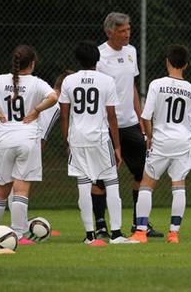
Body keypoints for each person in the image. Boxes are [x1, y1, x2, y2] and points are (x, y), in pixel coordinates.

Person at [0, 45, 57, 245]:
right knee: (21, 189)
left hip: (4, 139)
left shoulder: (0, 81)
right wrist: (36, 110)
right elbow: (53, 97)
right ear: (32, 63)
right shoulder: (36, 83)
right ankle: (18, 234)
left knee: (0, 190)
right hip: (27, 139)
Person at [59, 41, 136, 245]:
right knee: (111, 184)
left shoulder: (68, 81)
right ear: (97, 59)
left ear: (78, 60)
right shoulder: (106, 81)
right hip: (100, 138)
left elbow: (64, 116)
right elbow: (112, 117)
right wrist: (117, 146)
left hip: (77, 138)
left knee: (83, 186)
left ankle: (89, 235)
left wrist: (67, 140)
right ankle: (117, 234)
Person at [95, 12, 162, 237]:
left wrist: (140, 116)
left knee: (143, 173)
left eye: (129, 29)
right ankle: (101, 225)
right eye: (122, 30)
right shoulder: (99, 56)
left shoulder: (131, 52)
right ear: (110, 31)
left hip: (131, 124)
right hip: (105, 125)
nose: (127, 34)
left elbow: (131, 86)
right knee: (101, 176)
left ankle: (139, 223)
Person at [129, 45, 191, 244]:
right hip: (182, 142)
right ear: (186, 65)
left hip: (161, 141)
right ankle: (174, 233)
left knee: (146, 184)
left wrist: (150, 136)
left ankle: (141, 232)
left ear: (167, 62)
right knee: (178, 186)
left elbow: (146, 115)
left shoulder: (157, 84)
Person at [0, 72, 66, 226]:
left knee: (0, 182)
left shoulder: (31, 86)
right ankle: (18, 228)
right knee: (14, 182)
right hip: (4, 133)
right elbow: (41, 135)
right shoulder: (54, 104)